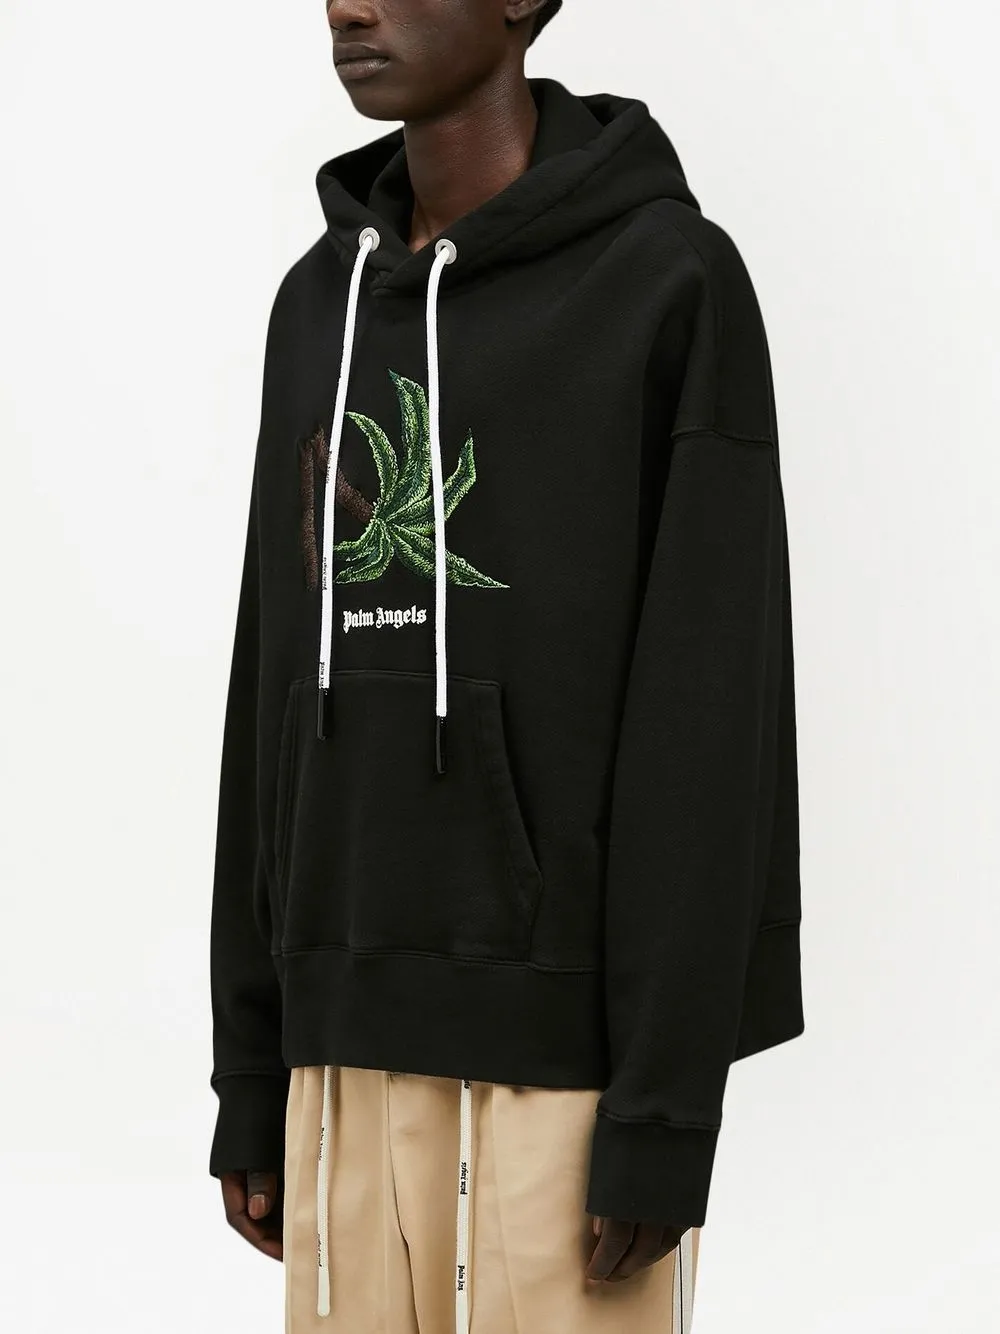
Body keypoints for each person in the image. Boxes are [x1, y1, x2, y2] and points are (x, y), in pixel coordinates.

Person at [207, 1, 805, 1330]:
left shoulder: (668, 282)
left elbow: (710, 716)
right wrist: (251, 1063)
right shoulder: (318, 304)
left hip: (562, 1079)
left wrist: (665, 1107)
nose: (350, 5)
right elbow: (269, 683)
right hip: (337, 1052)